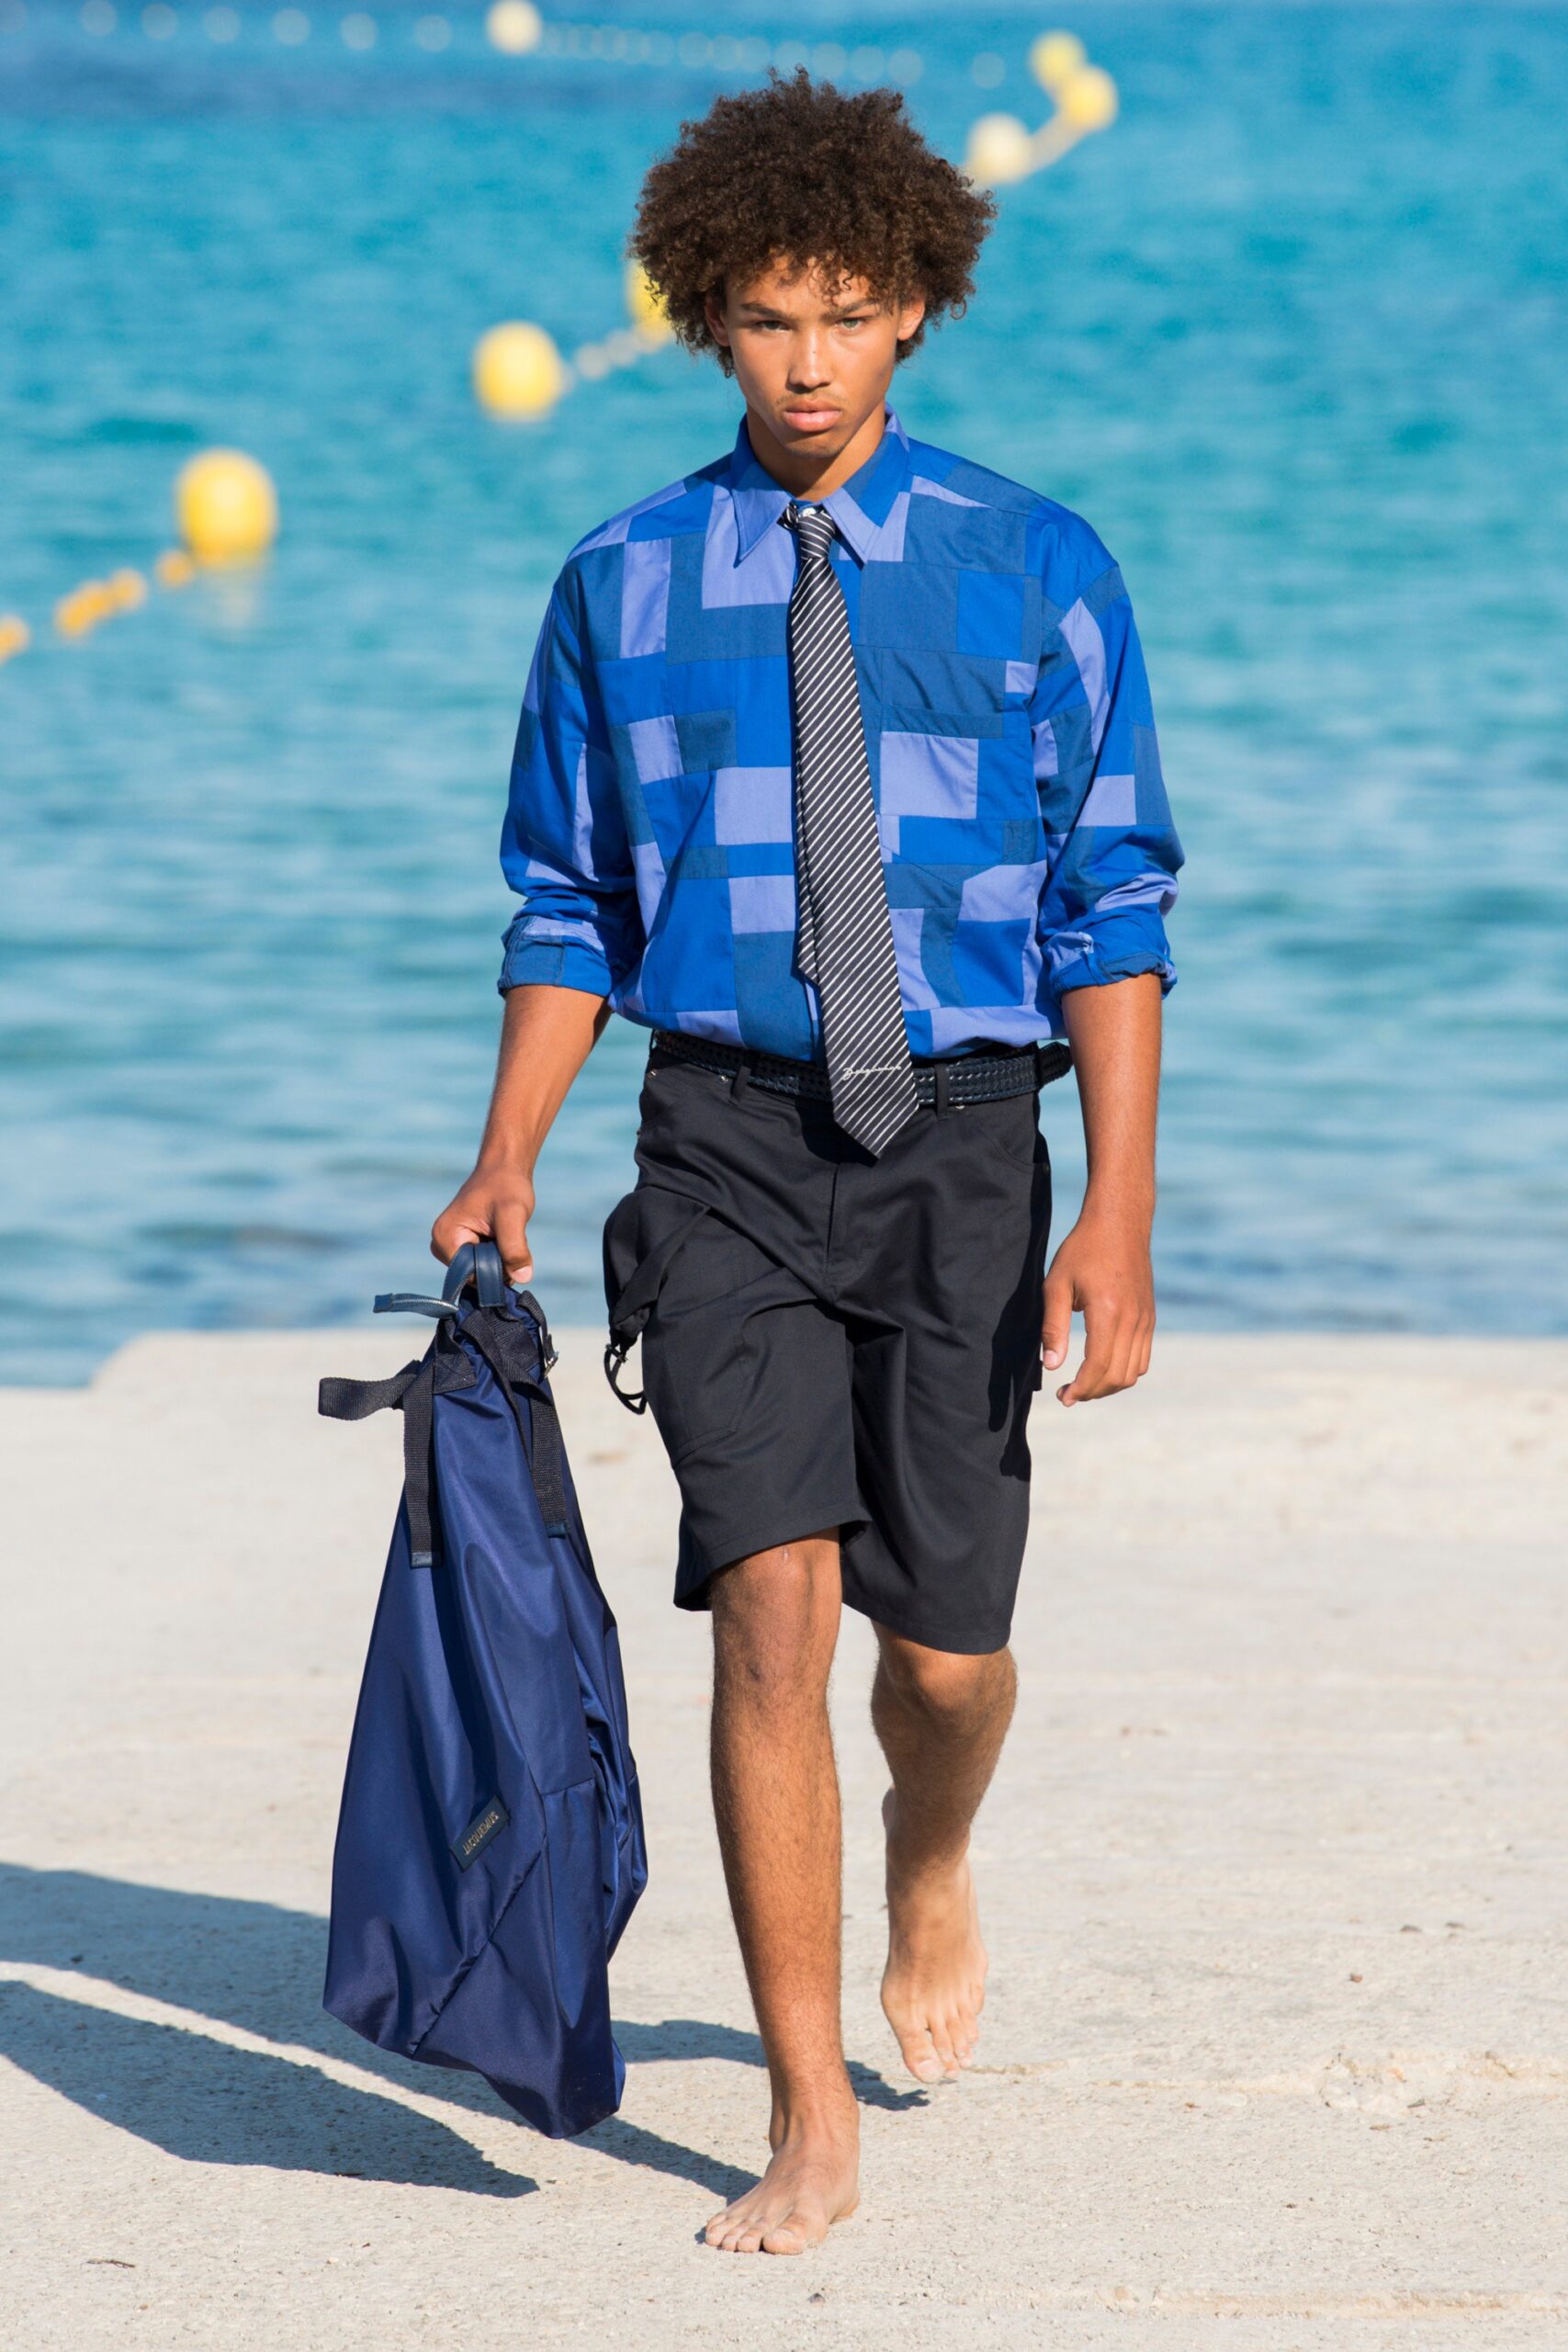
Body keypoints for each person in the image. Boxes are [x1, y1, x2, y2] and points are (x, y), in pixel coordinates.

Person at [433, 68, 1182, 2256]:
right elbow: (565, 899)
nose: (804, 362)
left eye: (846, 314)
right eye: (763, 317)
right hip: (726, 1136)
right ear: (699, 316)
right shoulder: (620, 580)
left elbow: (1109, 910)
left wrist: (1114, 1210)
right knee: (767, 1595)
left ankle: (927, 1856)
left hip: (962, 1142)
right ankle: (798, 2109)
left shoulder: (1036, 569)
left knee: (936, 1650)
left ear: (918, 312)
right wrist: (504, 1154)